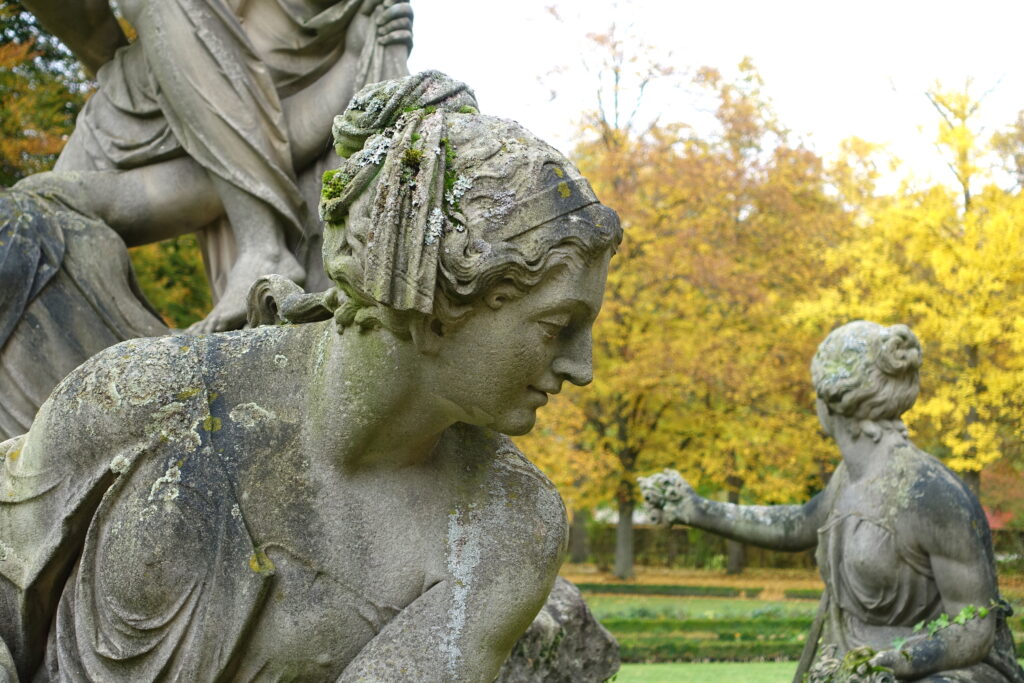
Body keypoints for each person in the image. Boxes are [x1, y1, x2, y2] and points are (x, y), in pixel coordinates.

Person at [0, 72, 623, 681]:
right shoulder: (143, 399)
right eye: (556, 325)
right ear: (437, 304)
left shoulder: (507, 526)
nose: (582, 368)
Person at [641, 321, 1024, 682]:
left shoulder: (930, 493)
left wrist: (902, 660)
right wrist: (696, 509)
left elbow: (975, 627)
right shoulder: (848, 478)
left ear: (830, 400)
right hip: (857, 666)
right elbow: (797, 525)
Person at [17, 0, 414, 332]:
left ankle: (261, 242)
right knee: (34, 226)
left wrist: (355, 60)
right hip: (144, 83)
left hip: (280, 53)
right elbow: (84, 25)